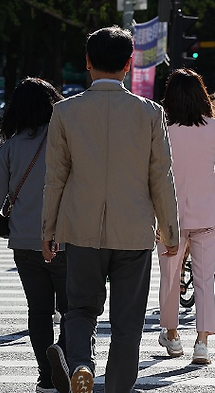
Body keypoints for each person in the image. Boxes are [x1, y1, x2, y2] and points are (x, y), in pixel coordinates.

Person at [41, 26, 179, 393]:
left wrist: (48, 230)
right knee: (128, 322)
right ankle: (118, 387)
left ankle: (82, 366)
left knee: (81, 309)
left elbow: (55, 177)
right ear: (130, 64)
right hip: (133, 230)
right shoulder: (150, 113)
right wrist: (170, 231)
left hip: (82, 228)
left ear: (87, 62)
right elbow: (160, 177)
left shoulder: (65, 112)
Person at [0, 77, 65, 393]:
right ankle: (69, 359)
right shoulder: (68, 141)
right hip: (67, 239)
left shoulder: (10, 148)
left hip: (24, 241)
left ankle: (46, 376)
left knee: (39, 310)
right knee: (75, 309)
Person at [156, 68, 215, 364]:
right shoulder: (213, 128)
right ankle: (202, 342)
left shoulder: (164, 131)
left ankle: (173, 335)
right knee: (205, 278)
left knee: (170, 277)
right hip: (208, 214)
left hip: (170, 216)